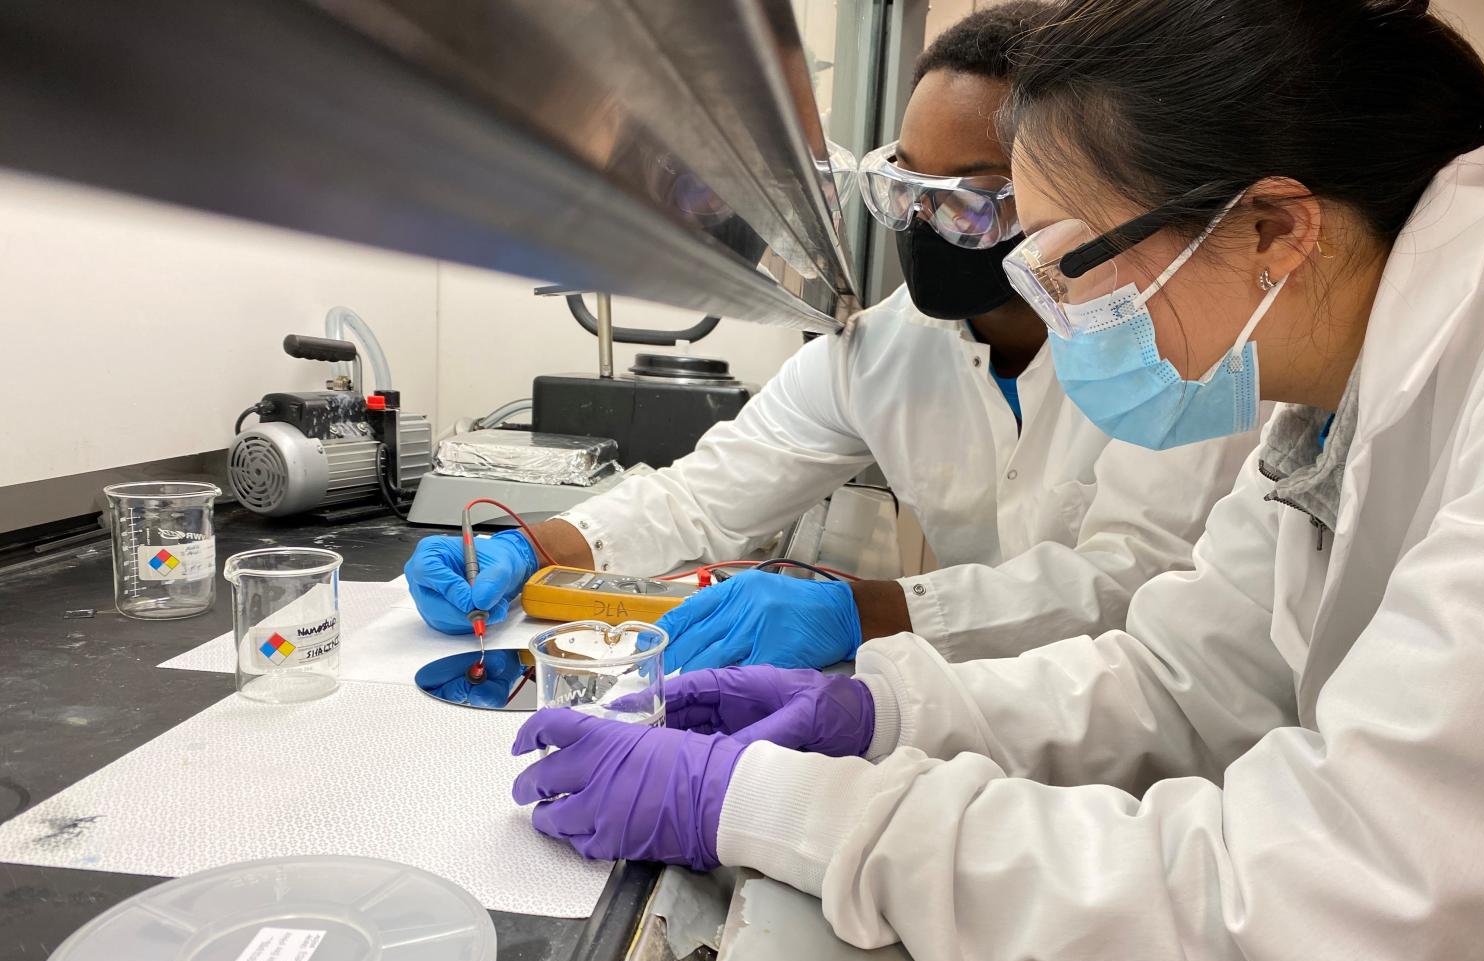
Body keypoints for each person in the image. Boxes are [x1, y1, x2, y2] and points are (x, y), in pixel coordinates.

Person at [510, 0, 1484, 961]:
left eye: (1068, 260)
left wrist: (795, 810)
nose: (1058, 310)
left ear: (1275, 228)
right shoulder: (1324, 406)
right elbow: (1181, 678)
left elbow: (1325, 913)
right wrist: (879, 713)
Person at [404, 1, 1260, 673]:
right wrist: (531, 545)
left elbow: (1127, 582)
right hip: (968, 707)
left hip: (1138, 742)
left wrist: (868, 610)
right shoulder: (881, 350)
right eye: (906, 191)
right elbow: (706, 495)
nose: (923, 225)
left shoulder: (1171, 356)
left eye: (965, 201)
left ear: (1049, 200)